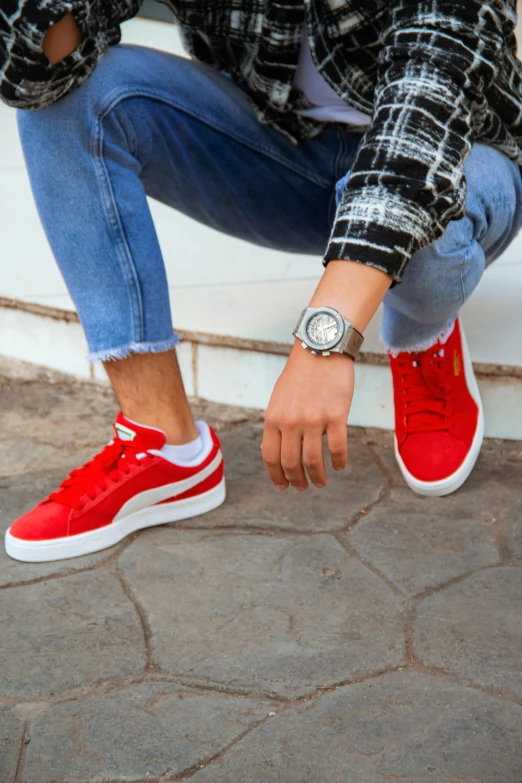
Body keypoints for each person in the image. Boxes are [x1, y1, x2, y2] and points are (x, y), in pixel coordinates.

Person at [2, 1, 521, 563]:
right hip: (286, 150)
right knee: (66, 97)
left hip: (459, 159)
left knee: (424, 237)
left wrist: (324, 341)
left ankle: (421, 330)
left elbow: (422, 124)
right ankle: (164, 443)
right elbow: (47, 56)